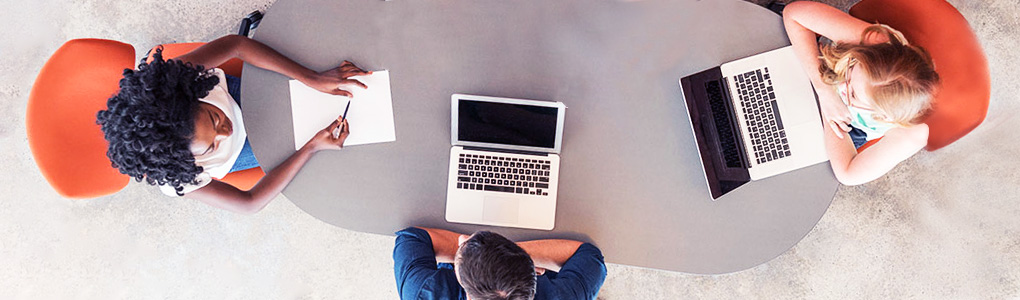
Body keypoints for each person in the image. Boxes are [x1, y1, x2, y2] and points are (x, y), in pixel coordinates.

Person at [96, 34, 369, 214]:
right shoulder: (177, 177)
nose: (226, 131)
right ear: (187, 162)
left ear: (191, 95)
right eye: (211, 146)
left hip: (235, 95)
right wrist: (310, 148)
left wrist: (311, 78)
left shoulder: (173, 82)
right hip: (241, 151)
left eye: (213, 119)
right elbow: (249, 204)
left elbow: (237, 45)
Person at [783, 1, 940, 185]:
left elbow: (848, 174)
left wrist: (831, 113)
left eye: (854, 95)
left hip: (850, 128)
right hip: (826, 73)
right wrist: (826, 91)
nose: (842, 87)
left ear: (883, 116)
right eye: (852, 71)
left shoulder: (911, 134)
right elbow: (794, 13)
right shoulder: (873, 42)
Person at [393, 227, 607, 300]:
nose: (461, 240)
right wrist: (512, 255)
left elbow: (411, 238)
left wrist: (470, 252)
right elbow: (590, 257)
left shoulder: (422, 292)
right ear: (531, 272)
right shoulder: (563, 297)